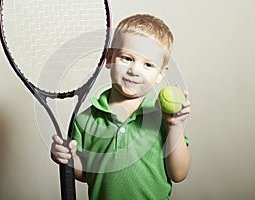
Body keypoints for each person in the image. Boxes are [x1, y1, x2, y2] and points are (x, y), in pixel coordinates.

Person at [51, 14, 191, 200]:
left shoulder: (161, 117)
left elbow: (179, 174)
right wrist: (69, 159)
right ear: (109, 58)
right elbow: (86, 173)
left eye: (148, 64)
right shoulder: (86, 120)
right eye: (127, 58)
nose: (134, 70)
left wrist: (174, 126)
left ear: (160, 74)